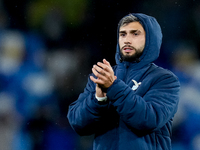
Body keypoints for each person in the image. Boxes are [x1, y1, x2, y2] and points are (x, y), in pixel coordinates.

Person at [67, 13, 180, 150]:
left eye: (135, 34)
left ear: (150, 39)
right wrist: (99, 99)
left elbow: (148, 119)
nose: (127, 40)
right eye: (123, 34)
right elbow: (77, 123)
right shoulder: (103, 75)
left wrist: (113, 86)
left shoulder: (164, 79)